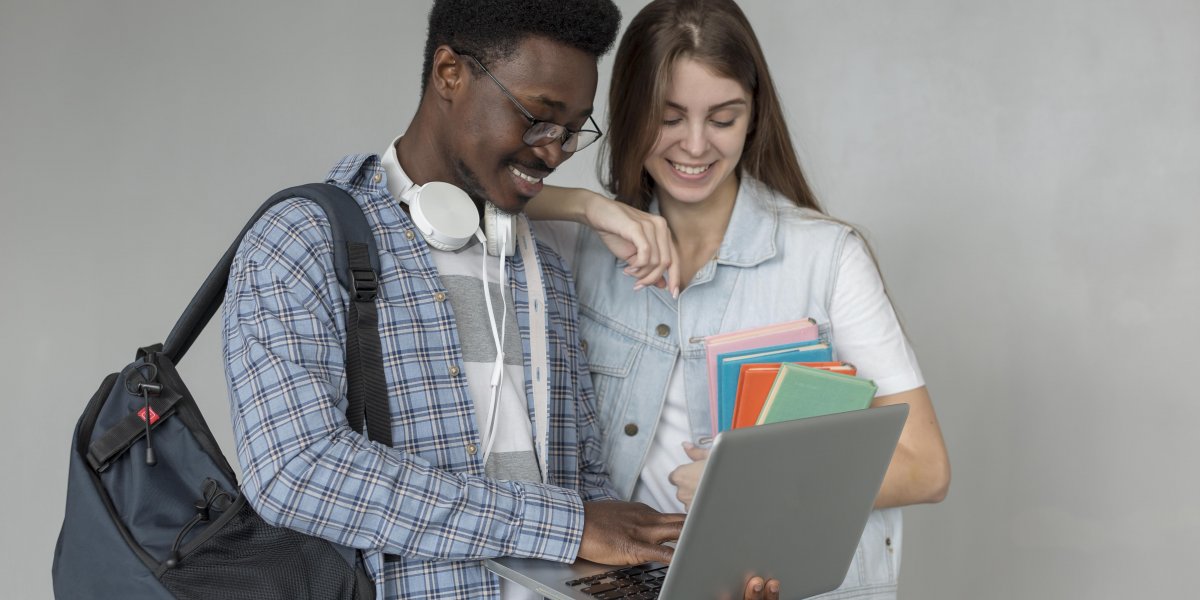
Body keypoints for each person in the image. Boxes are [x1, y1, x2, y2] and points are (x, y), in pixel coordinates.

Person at [221, 2, 699, 599]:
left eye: (573, 130)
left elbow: (586, 484)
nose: (554, 152)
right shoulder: (302, 240)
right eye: (538, 118)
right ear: (450, 73)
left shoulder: (542, 264)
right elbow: (296, 471)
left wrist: (675, 573)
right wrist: (565, 525)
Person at [527, 0, 952, 598]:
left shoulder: (826, 258)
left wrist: (756, 487)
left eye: (722, 118)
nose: (695, 146)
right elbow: (455, 194)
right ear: (628, 114)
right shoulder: (579, 246)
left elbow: (926, 467)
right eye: (669, 118)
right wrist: (585, 204)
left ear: (754, 117)